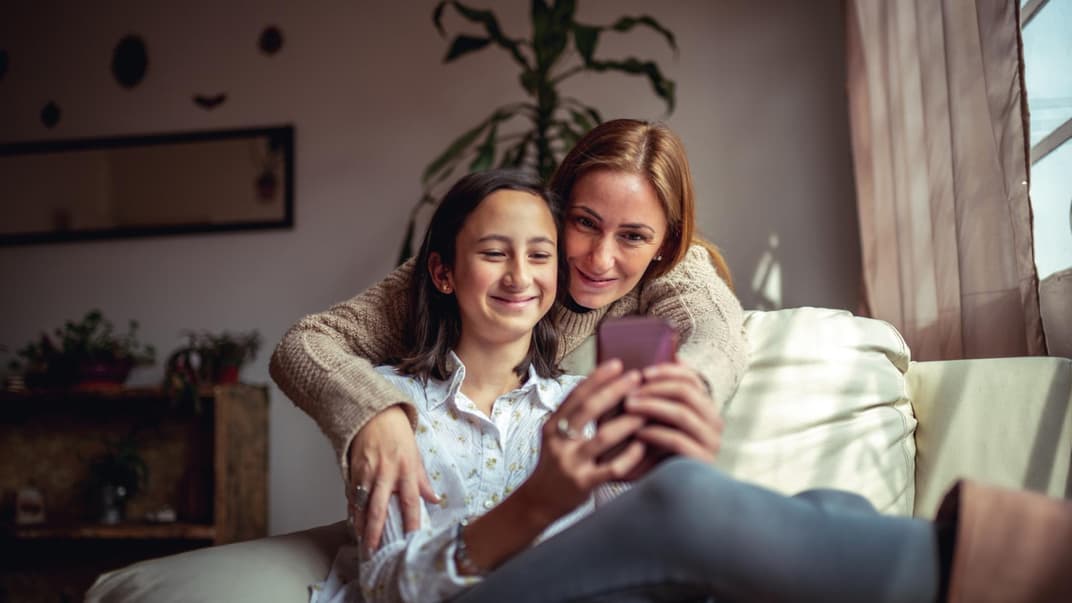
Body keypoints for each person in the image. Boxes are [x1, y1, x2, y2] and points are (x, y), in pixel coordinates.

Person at [310, 168, 943, 603]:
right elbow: (390, 587)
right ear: (444, 273)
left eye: (539, 254)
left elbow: (638, 534)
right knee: (691, 503)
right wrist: (537, 504)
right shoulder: (390, 409)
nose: (519, 276)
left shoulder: (573, 405)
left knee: (838, 509)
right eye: (493, 253)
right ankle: (988, 561)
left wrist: (667, 459)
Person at [270, 119, 746, 550]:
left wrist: (684, 396)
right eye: (584, 223)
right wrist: (376, 413)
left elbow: (717, 336)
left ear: (663, 243)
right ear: (555, 212)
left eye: (633, 237)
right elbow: (307, 343)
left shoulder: (673, 271)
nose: (601, 259)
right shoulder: (484, 264)